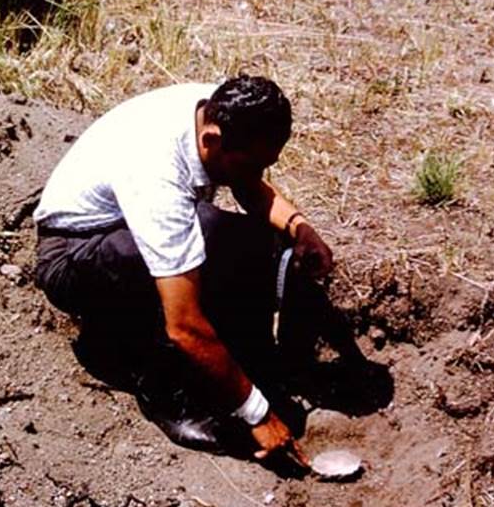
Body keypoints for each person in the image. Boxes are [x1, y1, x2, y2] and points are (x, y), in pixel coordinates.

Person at [33, 74, 377, 464]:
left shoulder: (217, 110)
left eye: (266, 164)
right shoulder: (156, 175)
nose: (258, 173)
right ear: (211, 140)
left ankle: (242, 366)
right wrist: (257, 414)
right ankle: (163, 389)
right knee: (189, 251)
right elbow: (185, 325)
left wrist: (300, 228)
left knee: (239, 236)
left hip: (124, 222)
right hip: (74, 254)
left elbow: (248, 184)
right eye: (251, 163)